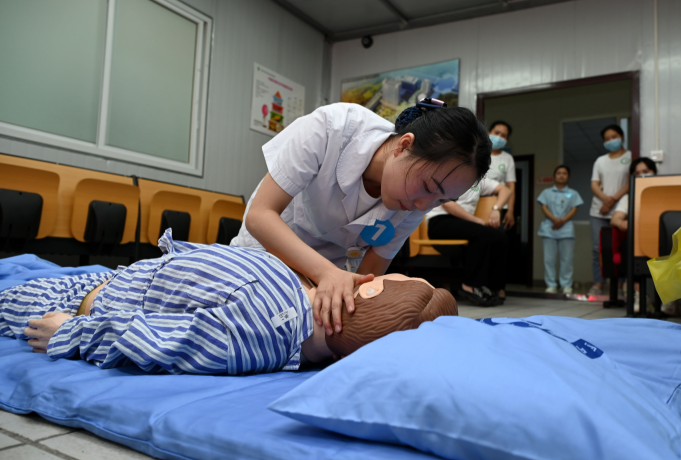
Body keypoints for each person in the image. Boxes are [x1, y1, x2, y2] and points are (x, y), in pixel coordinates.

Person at [0, 230, 457, 375]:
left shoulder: (254, 338)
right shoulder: (300, 314)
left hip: (82, 300)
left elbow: (157, 341)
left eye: (399, 276)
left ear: (372, 289)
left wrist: (71, 332)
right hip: (122, 278)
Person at [232, 100, 491, 338]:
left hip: (332, 277)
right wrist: (326, 273)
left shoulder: (418, 200)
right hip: (266, 254)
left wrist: (358, 311)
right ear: (404, 145)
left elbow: (370, 273)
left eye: (441, 200)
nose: (424, 206)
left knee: (320, 327)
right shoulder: (331, 128)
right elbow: (260, 215)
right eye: (427, 186)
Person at [426, 179, 511, 306]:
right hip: (440, 221)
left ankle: (495, 288)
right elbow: (447, 204)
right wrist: (477, 221)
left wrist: (496, 209)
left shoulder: (480, 180)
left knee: (500, 236)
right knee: (483, 234)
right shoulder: (452, 177)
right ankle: (470, 285)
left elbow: (506, 190)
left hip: (465, 224)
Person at [588, 124, 631, 296]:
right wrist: (606, 199)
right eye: (606, 139)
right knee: (598, 249)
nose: (610, 141)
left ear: (622, 137)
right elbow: (594, 184)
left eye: (613, 137)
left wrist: (613, 200)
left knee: (620, 248)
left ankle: (619, 287)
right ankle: (598, 284)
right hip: (598, 211)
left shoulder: (630, 156)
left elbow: (631, 182)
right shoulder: (600, 160)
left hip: (621, 210)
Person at [537, 165, 583, 294]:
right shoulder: (546, 192)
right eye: (559, 173)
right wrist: (554, 219)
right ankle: (551, 285)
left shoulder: (573, 193)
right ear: (554, 176)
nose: (561, 175)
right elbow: (544, 207)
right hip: (549, 228)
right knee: (549, 260)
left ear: (568, 176)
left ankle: (566, 285)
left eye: (564, 173)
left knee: (567, 259)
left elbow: (574, 209)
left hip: (566, 229)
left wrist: (562, 221)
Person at [610, 157, 658, 232]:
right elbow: (614, 220)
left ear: (655, 173)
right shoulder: (629, 198)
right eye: (637, 173)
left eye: (645, 171)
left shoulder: (665, 195)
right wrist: (622, 223)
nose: (642, 175)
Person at [485, 121, 516, 230]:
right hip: (475, 202)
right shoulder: (477, 153)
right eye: (496, 133)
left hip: (500, 205)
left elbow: (511, 187)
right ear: (489, 133)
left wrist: (510, 210)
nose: (499, 137)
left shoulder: (507, 158)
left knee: (496, 237)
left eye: (503, 135)